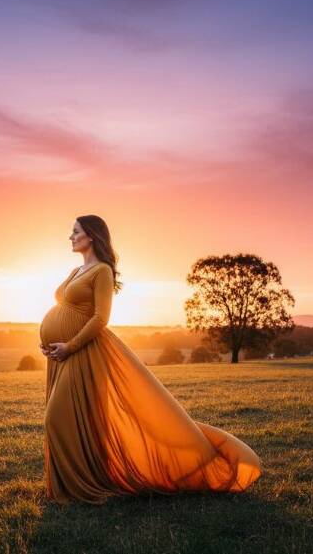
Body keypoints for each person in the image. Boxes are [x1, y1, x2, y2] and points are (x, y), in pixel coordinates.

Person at [39, 214, 262, 504]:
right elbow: (64, 306)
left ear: (91, 235)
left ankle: (82, 487)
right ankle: (69, 487)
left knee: (56, 419)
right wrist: (49, 342)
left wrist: (70, 345)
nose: (70, 236)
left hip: (84, 352)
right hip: (62, 355)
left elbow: (100, 318)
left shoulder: (102, 271)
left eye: (75, 231)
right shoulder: (75, 271)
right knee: (75, 421)